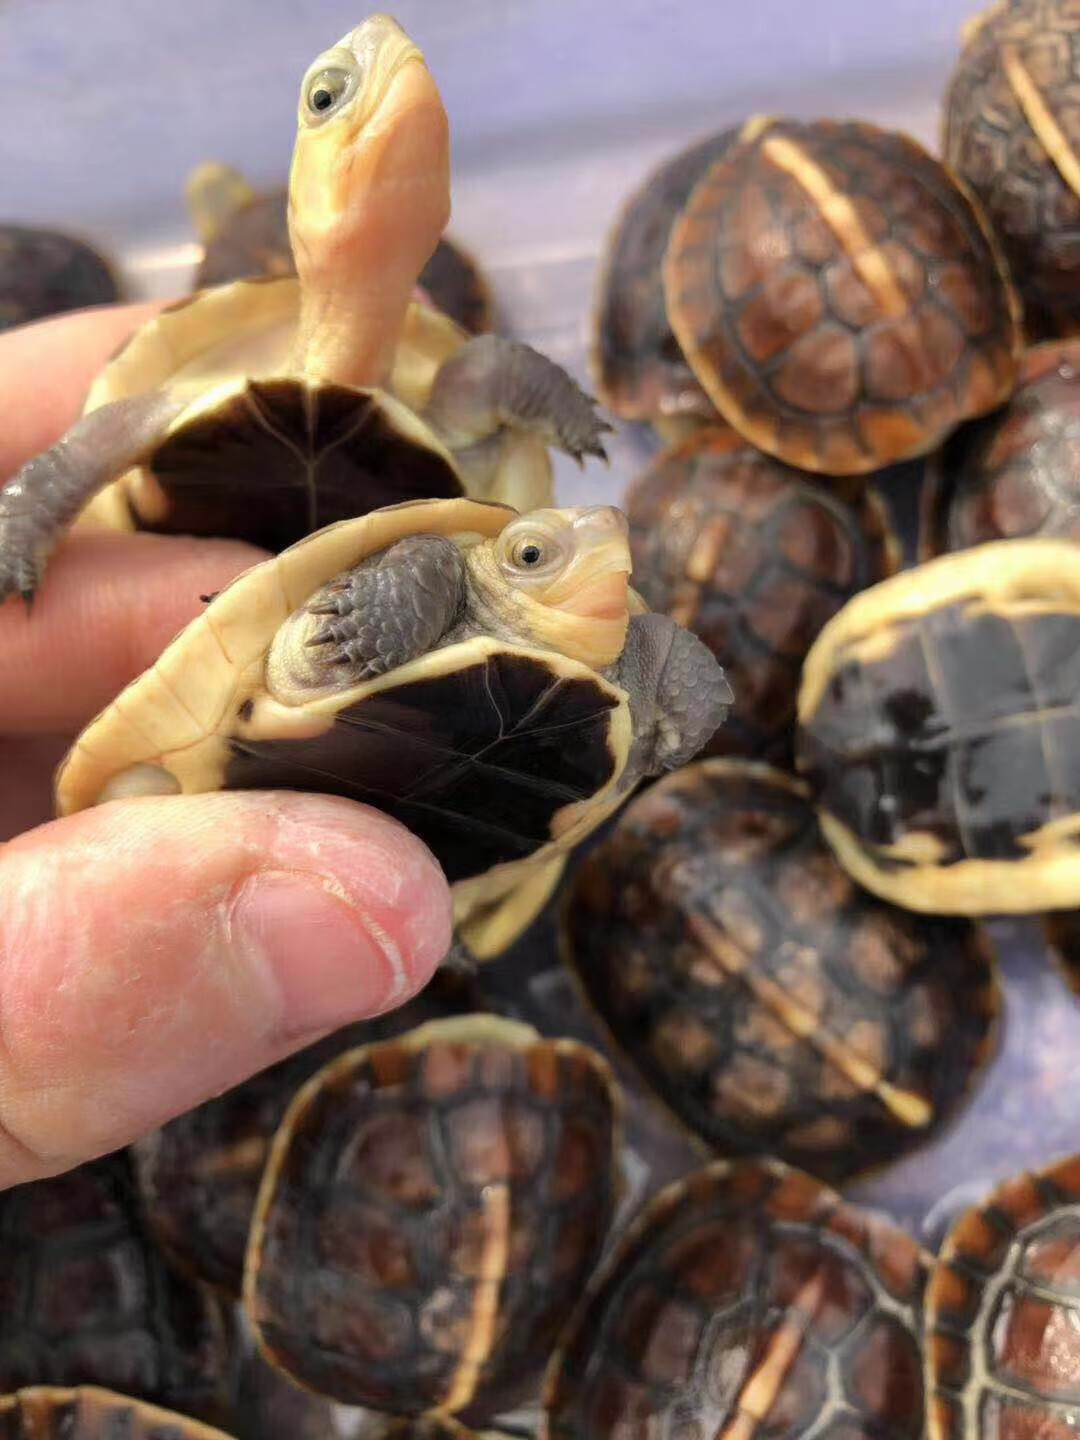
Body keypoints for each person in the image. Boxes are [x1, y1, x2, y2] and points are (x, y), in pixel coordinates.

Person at [0, 302, 453, 1190]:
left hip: (364, 623)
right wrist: (29, 515)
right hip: (239, 626)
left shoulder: (434, 381)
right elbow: (102, 440)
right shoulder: (180, 393)